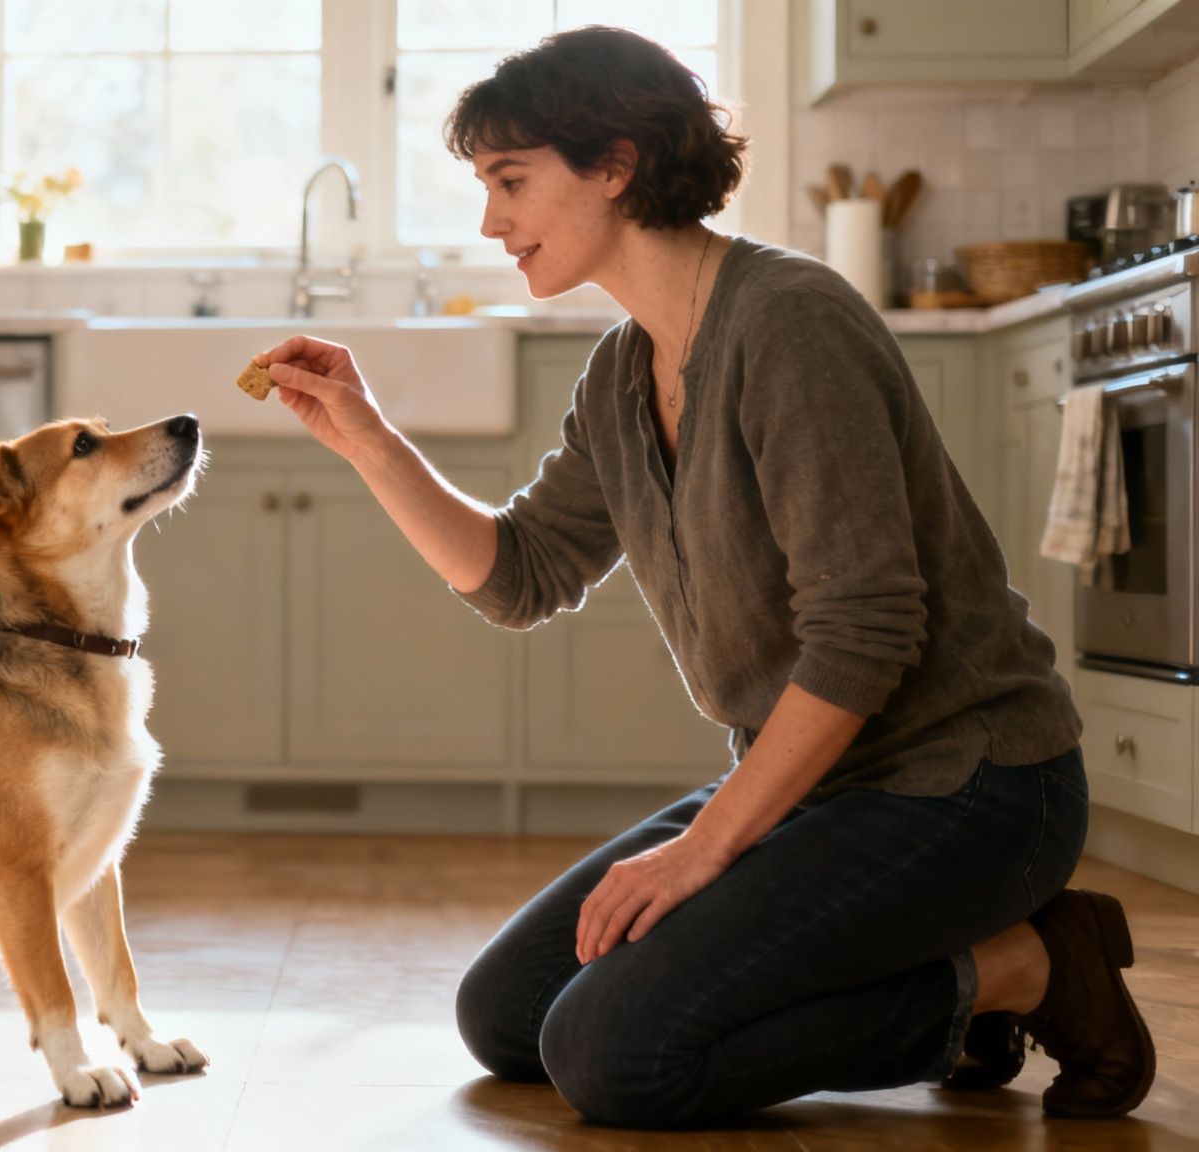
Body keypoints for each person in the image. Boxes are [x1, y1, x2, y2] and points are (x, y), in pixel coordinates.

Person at [257, 25, 1153, 1130]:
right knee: (507, 1014)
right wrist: (364, 438)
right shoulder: (623, 367)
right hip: (819, 790)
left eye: (509, 182)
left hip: (968, 789)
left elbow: (864, 634)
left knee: (611, 1055)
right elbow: (518, 577)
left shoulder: (789, 325)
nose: (489, 222)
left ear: (615, 164)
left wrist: (702, 850)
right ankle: (950, 970)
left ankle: (1023, 971)